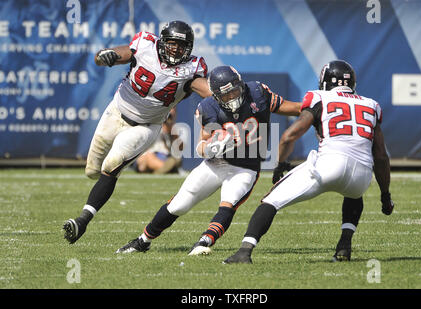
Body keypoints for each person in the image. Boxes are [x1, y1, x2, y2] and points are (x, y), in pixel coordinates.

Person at [115, 65, 302, 255]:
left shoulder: (257, 93)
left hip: (245, 167)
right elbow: (201, 146)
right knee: (178, 204)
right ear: (216, 96)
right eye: (226, 95)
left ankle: (204, 242)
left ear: (241, 85)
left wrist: (316, 109)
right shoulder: (208, 107)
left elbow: (292, 107)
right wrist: (213, 148)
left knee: (228, 203)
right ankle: (142, 241)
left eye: (235, 91)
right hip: (216, 164)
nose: (232, 98)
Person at [224, 60, 395, 264]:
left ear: (324, 81)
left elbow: (289, 136)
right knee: (354, 194)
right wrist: (385, 196)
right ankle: (344, 246)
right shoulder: (371, 104)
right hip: (362, 176)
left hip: (328, 166)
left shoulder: (318, 97)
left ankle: (245, 251)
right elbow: (381, 156)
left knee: (271, 200)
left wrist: (280, 164)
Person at [63, 21, 211, 244]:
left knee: (112, 165)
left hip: (146, 126)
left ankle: (82, 220)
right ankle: (93, 191)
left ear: (188, 49)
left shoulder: (191, 68)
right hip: (116, 113)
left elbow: (206, 90)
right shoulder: (145, 45)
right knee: (92, 171)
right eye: (171, 43)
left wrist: (223, 94)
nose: (176, 50)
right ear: (162, 42)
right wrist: (108, 55)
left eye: (181, 46)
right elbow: (120, 53)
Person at [134, 108, 182, 174]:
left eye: (173, 109)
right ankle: (168, 169)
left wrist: (172, 130)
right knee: (145, 160)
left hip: (164, 156)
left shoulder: (172, 128)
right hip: (150, 154)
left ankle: (164, 169)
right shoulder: (152, 123)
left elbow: (180, 148)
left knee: (147, 161)